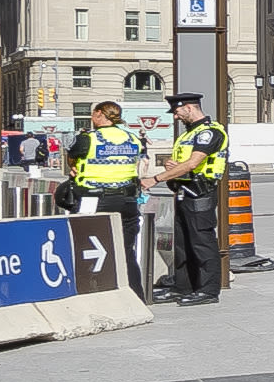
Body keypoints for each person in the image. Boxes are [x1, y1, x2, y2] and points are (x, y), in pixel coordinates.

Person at [63, 100, 148, 293]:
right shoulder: (132, 138)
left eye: (93, 114)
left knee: (84, 247)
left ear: (99, 114)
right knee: (126, 251)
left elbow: (72, 157)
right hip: (127, 200)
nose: (92, 118)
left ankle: (89, 291)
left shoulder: (89, 138)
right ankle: (135, 295)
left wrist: (74, 167)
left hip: (93, 199)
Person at [155, 96, 228, 303]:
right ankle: (182, 287)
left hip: (200, 192)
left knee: (202, 242)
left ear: (189, 108)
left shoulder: (209, 131)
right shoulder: (189, 134)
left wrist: (155, 179)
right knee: (183, 243)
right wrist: (172, 166)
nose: (176, 117)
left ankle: (208, 290)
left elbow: (193, 163)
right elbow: (183, 164)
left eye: (177, 112)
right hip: (183, 192)